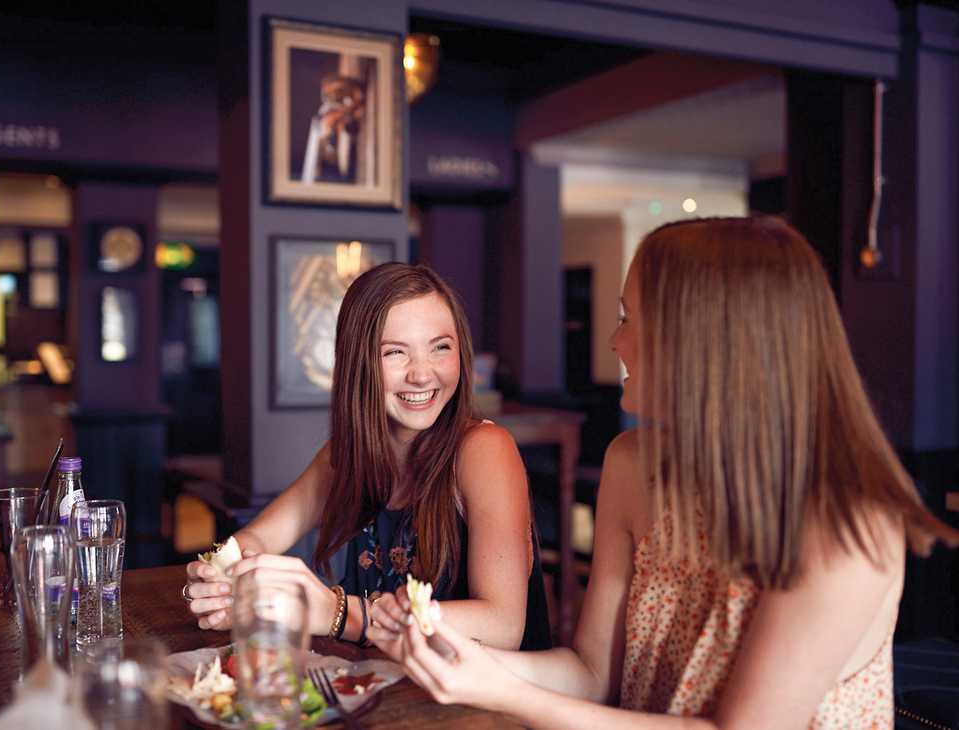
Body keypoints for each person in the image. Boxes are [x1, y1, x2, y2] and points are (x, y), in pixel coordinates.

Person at [371, 217, 959, 728]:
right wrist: (448, 650)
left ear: (702, 338)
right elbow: (592, 674)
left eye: (630, 317)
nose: (613, 340)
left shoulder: (846, 522)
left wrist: (504, 694)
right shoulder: (633, 465)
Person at [183, 262, 551, 651]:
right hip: (388, 693)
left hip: (481, 705)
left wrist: (339, 613)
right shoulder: (349, 453)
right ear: (357, 363)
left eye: (441, 347)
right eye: (395, 353)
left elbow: (502, 625)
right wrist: (223, 581)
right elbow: (258, 538)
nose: (423, 374)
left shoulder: (484, 449)